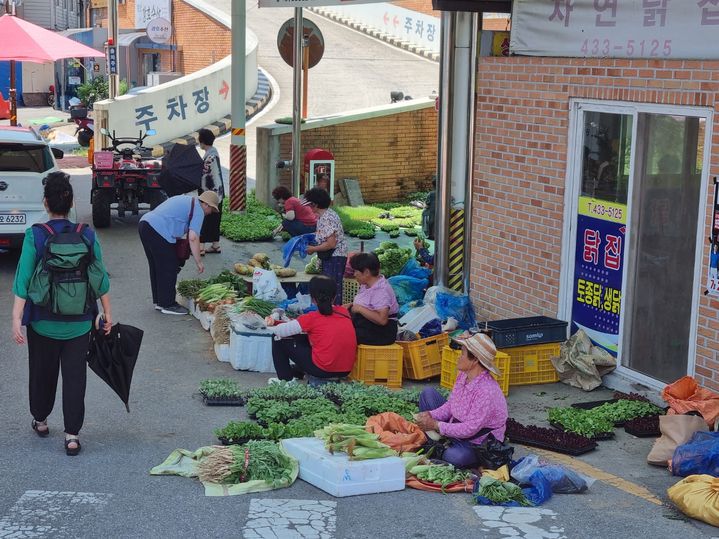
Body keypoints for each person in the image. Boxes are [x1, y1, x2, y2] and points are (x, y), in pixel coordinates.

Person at [11, 171, 112, 457]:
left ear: (45, 203)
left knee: (41, 372)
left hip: (43, 322)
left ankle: (41, 420)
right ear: (70, 203)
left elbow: (23, 281)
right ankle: (72, 436)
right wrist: (107, 313)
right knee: (74, 377)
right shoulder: (87, 234)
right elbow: (100, 278)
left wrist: (16, 319)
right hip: (80, 323)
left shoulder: (36, 234)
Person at [415, 333, 508, 469]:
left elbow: (470, 429)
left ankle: (443, 444)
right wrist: (431, 415)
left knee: (455, 457)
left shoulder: (487, 391)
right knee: (428, 394)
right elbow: (451, 405)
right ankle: (442, 441)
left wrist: (436, 425)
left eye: (463, 353)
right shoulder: (463, 375)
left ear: (474, 360)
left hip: (477, 442)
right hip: (455, 425)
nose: (459, 356)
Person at [138, 191, 218, 315]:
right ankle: (168, 304)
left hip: (145, 225)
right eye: (212, 210)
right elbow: (193, 237)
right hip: (158, 230)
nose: (210, 213)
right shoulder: (199, 210)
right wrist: (199, 261)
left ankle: (160, 301)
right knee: (169, 266)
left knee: (157, 266)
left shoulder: (186, 200)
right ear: (206, 205)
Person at [267, 276, 357, 381]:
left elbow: (280, 331)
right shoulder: (344, 312)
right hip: (345, 369)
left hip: (323, 369)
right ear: (334, 297)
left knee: (277, 338)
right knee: (305, 337)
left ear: (312, 298)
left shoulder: (312, 318)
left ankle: (285, 380)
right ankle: (299, 371)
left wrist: (272, 320)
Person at [304, 187, 348, 305]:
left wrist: (313, 249)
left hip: (335, 256)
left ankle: (333, 313)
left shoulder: (327, 218)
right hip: (332, 256)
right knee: (330, 286)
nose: (308, 207)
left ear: (315, 205)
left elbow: (331, 243)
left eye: (309, 204)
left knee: (331, 288)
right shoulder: (326, 215)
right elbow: (325, 235)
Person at [346, 252, 399, 345]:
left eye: (356, 271)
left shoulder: (381, 290)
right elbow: (363, 304)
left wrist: (358, 308)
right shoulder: (366, 284)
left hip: (381, 332)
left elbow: (382, 320)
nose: (354, 274)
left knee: (345, 334)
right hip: (367, 325)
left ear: (366, 272)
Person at [197, 128, 224, 255]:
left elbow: (204, 176)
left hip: (209, 194)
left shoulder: (209, 157)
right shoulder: (214, 152)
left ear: (202, 142)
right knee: (215, 219)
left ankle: (201, 248)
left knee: (204, 219)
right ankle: (215, 245)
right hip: (218, 193)